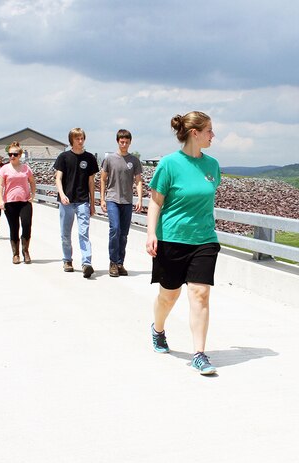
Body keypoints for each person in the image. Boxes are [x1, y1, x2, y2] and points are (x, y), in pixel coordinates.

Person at [146, 111, 221, 376]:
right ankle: (158, 329)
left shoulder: (212, 166)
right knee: (169, 295)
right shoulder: (168, 164)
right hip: (171, 239)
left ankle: (199, 354)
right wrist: (151, 233)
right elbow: (156, 202)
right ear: (194, 133)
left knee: (200, 294)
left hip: (204, 240)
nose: (213, 135)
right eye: (209, 130)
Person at [54, 128, 99, 278]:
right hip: (66, 201)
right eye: (77, 139)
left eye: (82, 138)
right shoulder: (64, 157)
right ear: (71, 140)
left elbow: (91, 182)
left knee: (83, 233)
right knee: (65, 234)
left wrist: (92, 203)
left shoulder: (90, 158)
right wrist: (62, 194)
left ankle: (87, 263)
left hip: (82, 201)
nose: (80, 141)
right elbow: (58, 178)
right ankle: (67, 260)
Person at [100, 129, 143, 277]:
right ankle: (112, 262)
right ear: (117, 141)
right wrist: (102, 199)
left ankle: (120, 263)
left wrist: (139, 198)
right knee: (115, 229)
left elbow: (138, 180)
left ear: (130, 142)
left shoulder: (134, 161)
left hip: (127, 201)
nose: (124, 144)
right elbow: (103, 179)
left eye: (126, 142)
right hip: (112, 199)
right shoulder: (109, 159)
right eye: (121, 141)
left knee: (124, 234)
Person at [0, 142, 36, 264]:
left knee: (26, 225)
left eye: (15, 154)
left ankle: (26, 251)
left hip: (24, 201)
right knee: (14, 227)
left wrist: (33, 194)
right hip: (10, 202)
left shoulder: (26, 168)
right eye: (10, 154)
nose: (12, 156)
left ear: (20, 155)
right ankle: (15, 254)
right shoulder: (4, 169)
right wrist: (1, 200)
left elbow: (32, 182)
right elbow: (0, 185)